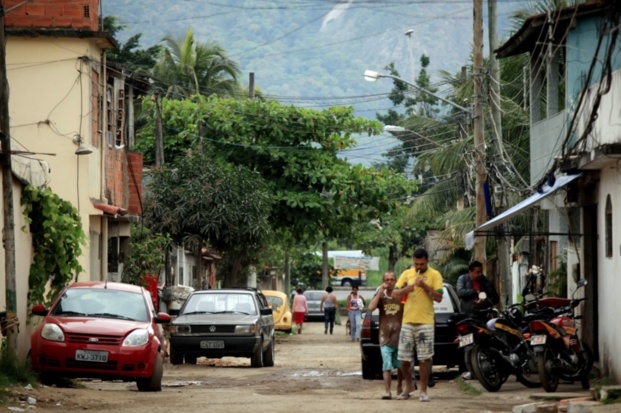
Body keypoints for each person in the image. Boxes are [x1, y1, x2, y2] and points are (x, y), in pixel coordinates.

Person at [392, 248, 443, 402]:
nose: (418, 266)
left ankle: (423, 390)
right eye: (416, 263)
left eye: (421, 264)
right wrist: (405, 289)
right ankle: (409, 385)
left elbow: (439, 297)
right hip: (407, 321)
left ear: (427, 261)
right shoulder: (407, 273)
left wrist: (425, 286)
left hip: (425, 322)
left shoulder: (435, 275)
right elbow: (394, 293)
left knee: (424, 359)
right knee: (403, 359)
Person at [456, 260, 499, 379]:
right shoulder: (463, 279)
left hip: (482, 317)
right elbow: (460, 292)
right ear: (470, 272)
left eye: (481, 272)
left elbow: (495, 298)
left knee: (487, 341)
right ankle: (470, 370)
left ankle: (488, 367)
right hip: (467, 317)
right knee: (467, 345)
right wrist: (476, 292)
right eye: (477, 272)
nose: (479, 274)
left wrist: (485, 301)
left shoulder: (485, 282)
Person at [367, 272, 404, 400]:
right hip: (385, 337)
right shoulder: (381, 297)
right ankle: (387, 391)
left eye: (392, 279)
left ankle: (399, 386)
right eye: (387, 280)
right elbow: (371, 307)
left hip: (400, 338)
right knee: (386, 365)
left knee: (400, 366)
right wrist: (379, 292)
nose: (389, 282)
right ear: (383, 281)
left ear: (396, 281)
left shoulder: (401, 296)